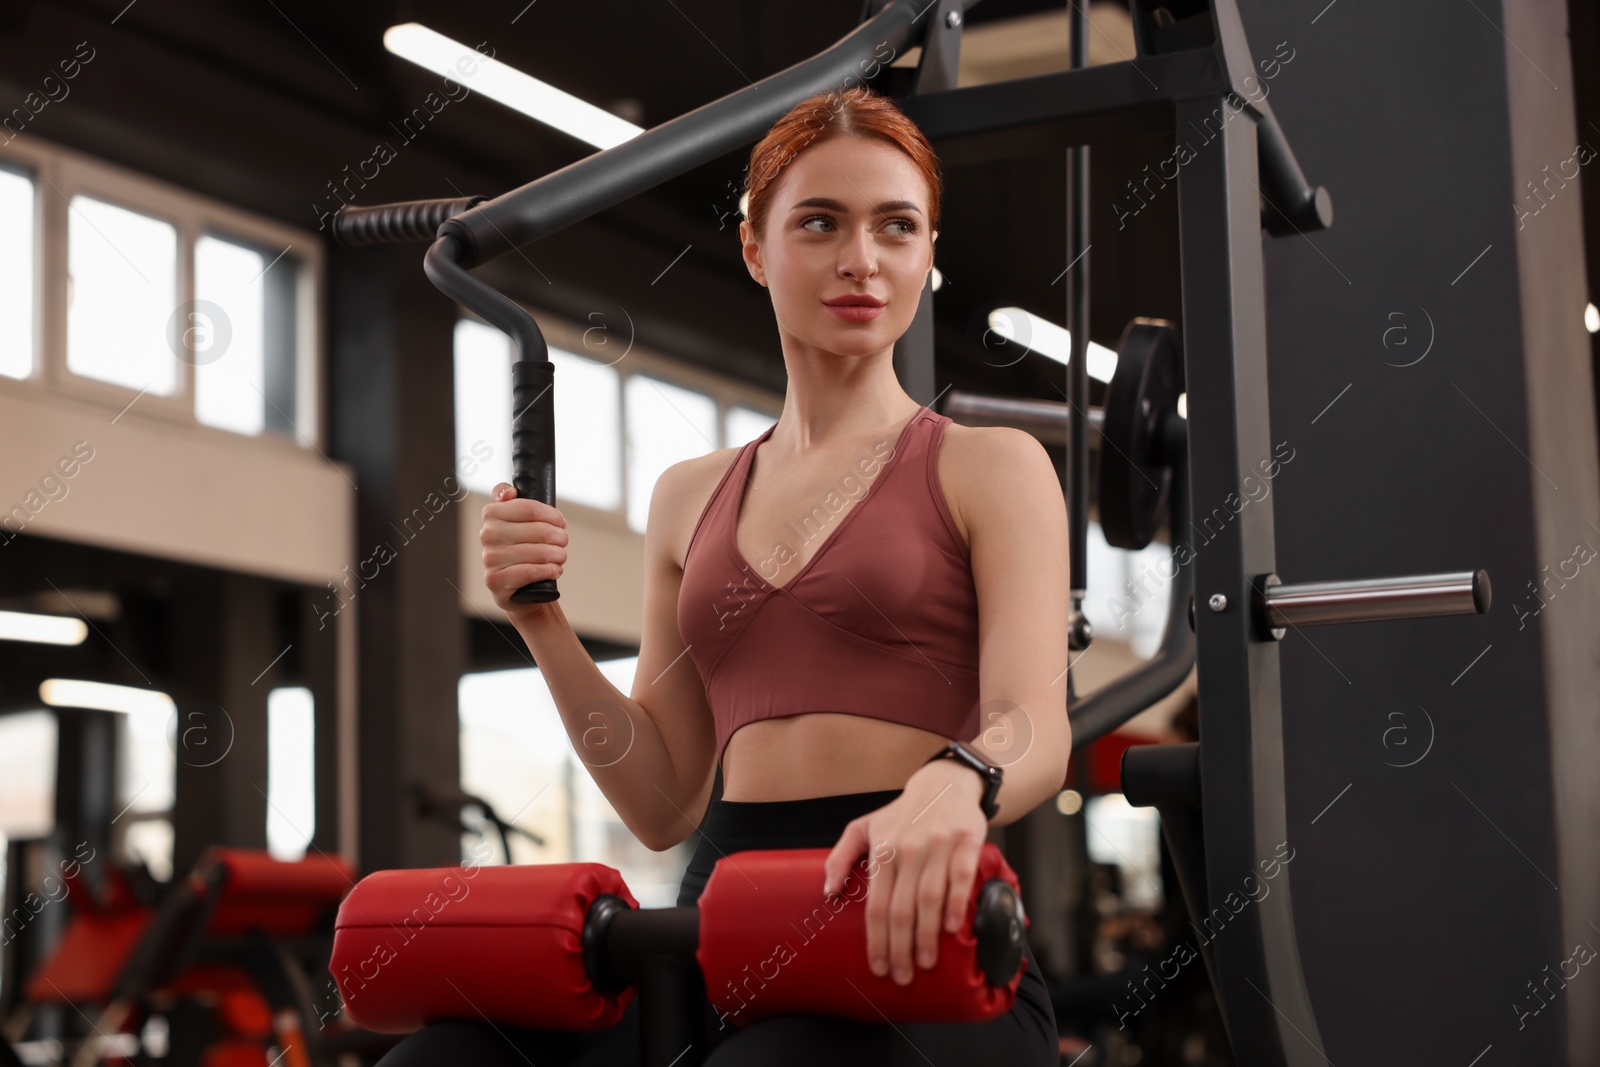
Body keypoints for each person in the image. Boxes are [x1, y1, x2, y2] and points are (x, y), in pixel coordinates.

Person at [378, 83, 1070, 1066]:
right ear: (755, 246)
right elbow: (661, 799)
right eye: (820, 223)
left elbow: (1034, 724)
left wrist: (960, 780)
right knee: (445, 1060)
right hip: (725, 922)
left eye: (896, 227)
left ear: (927, 255)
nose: (860, 259)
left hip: (916, 930)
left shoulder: (987, 464)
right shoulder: (687, 493)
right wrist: (539, 622)